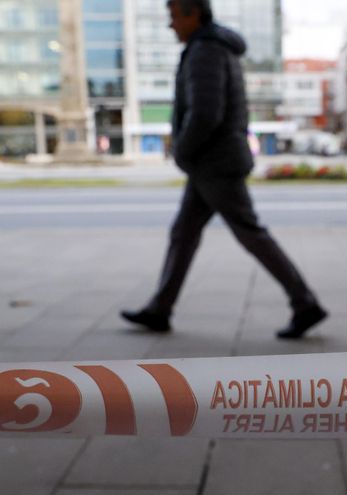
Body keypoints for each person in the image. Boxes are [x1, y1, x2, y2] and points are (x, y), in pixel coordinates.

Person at [121, 0, 328, 339]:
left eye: (174, 16)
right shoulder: (211, 48)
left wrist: (181, 151)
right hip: (211, 162)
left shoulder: (206, 51)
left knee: (249, 233)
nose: (170, 24)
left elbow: (205, 113)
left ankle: (305, 303)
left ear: (193, 13)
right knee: (184, 234)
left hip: (214, 163)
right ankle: (160, 308)